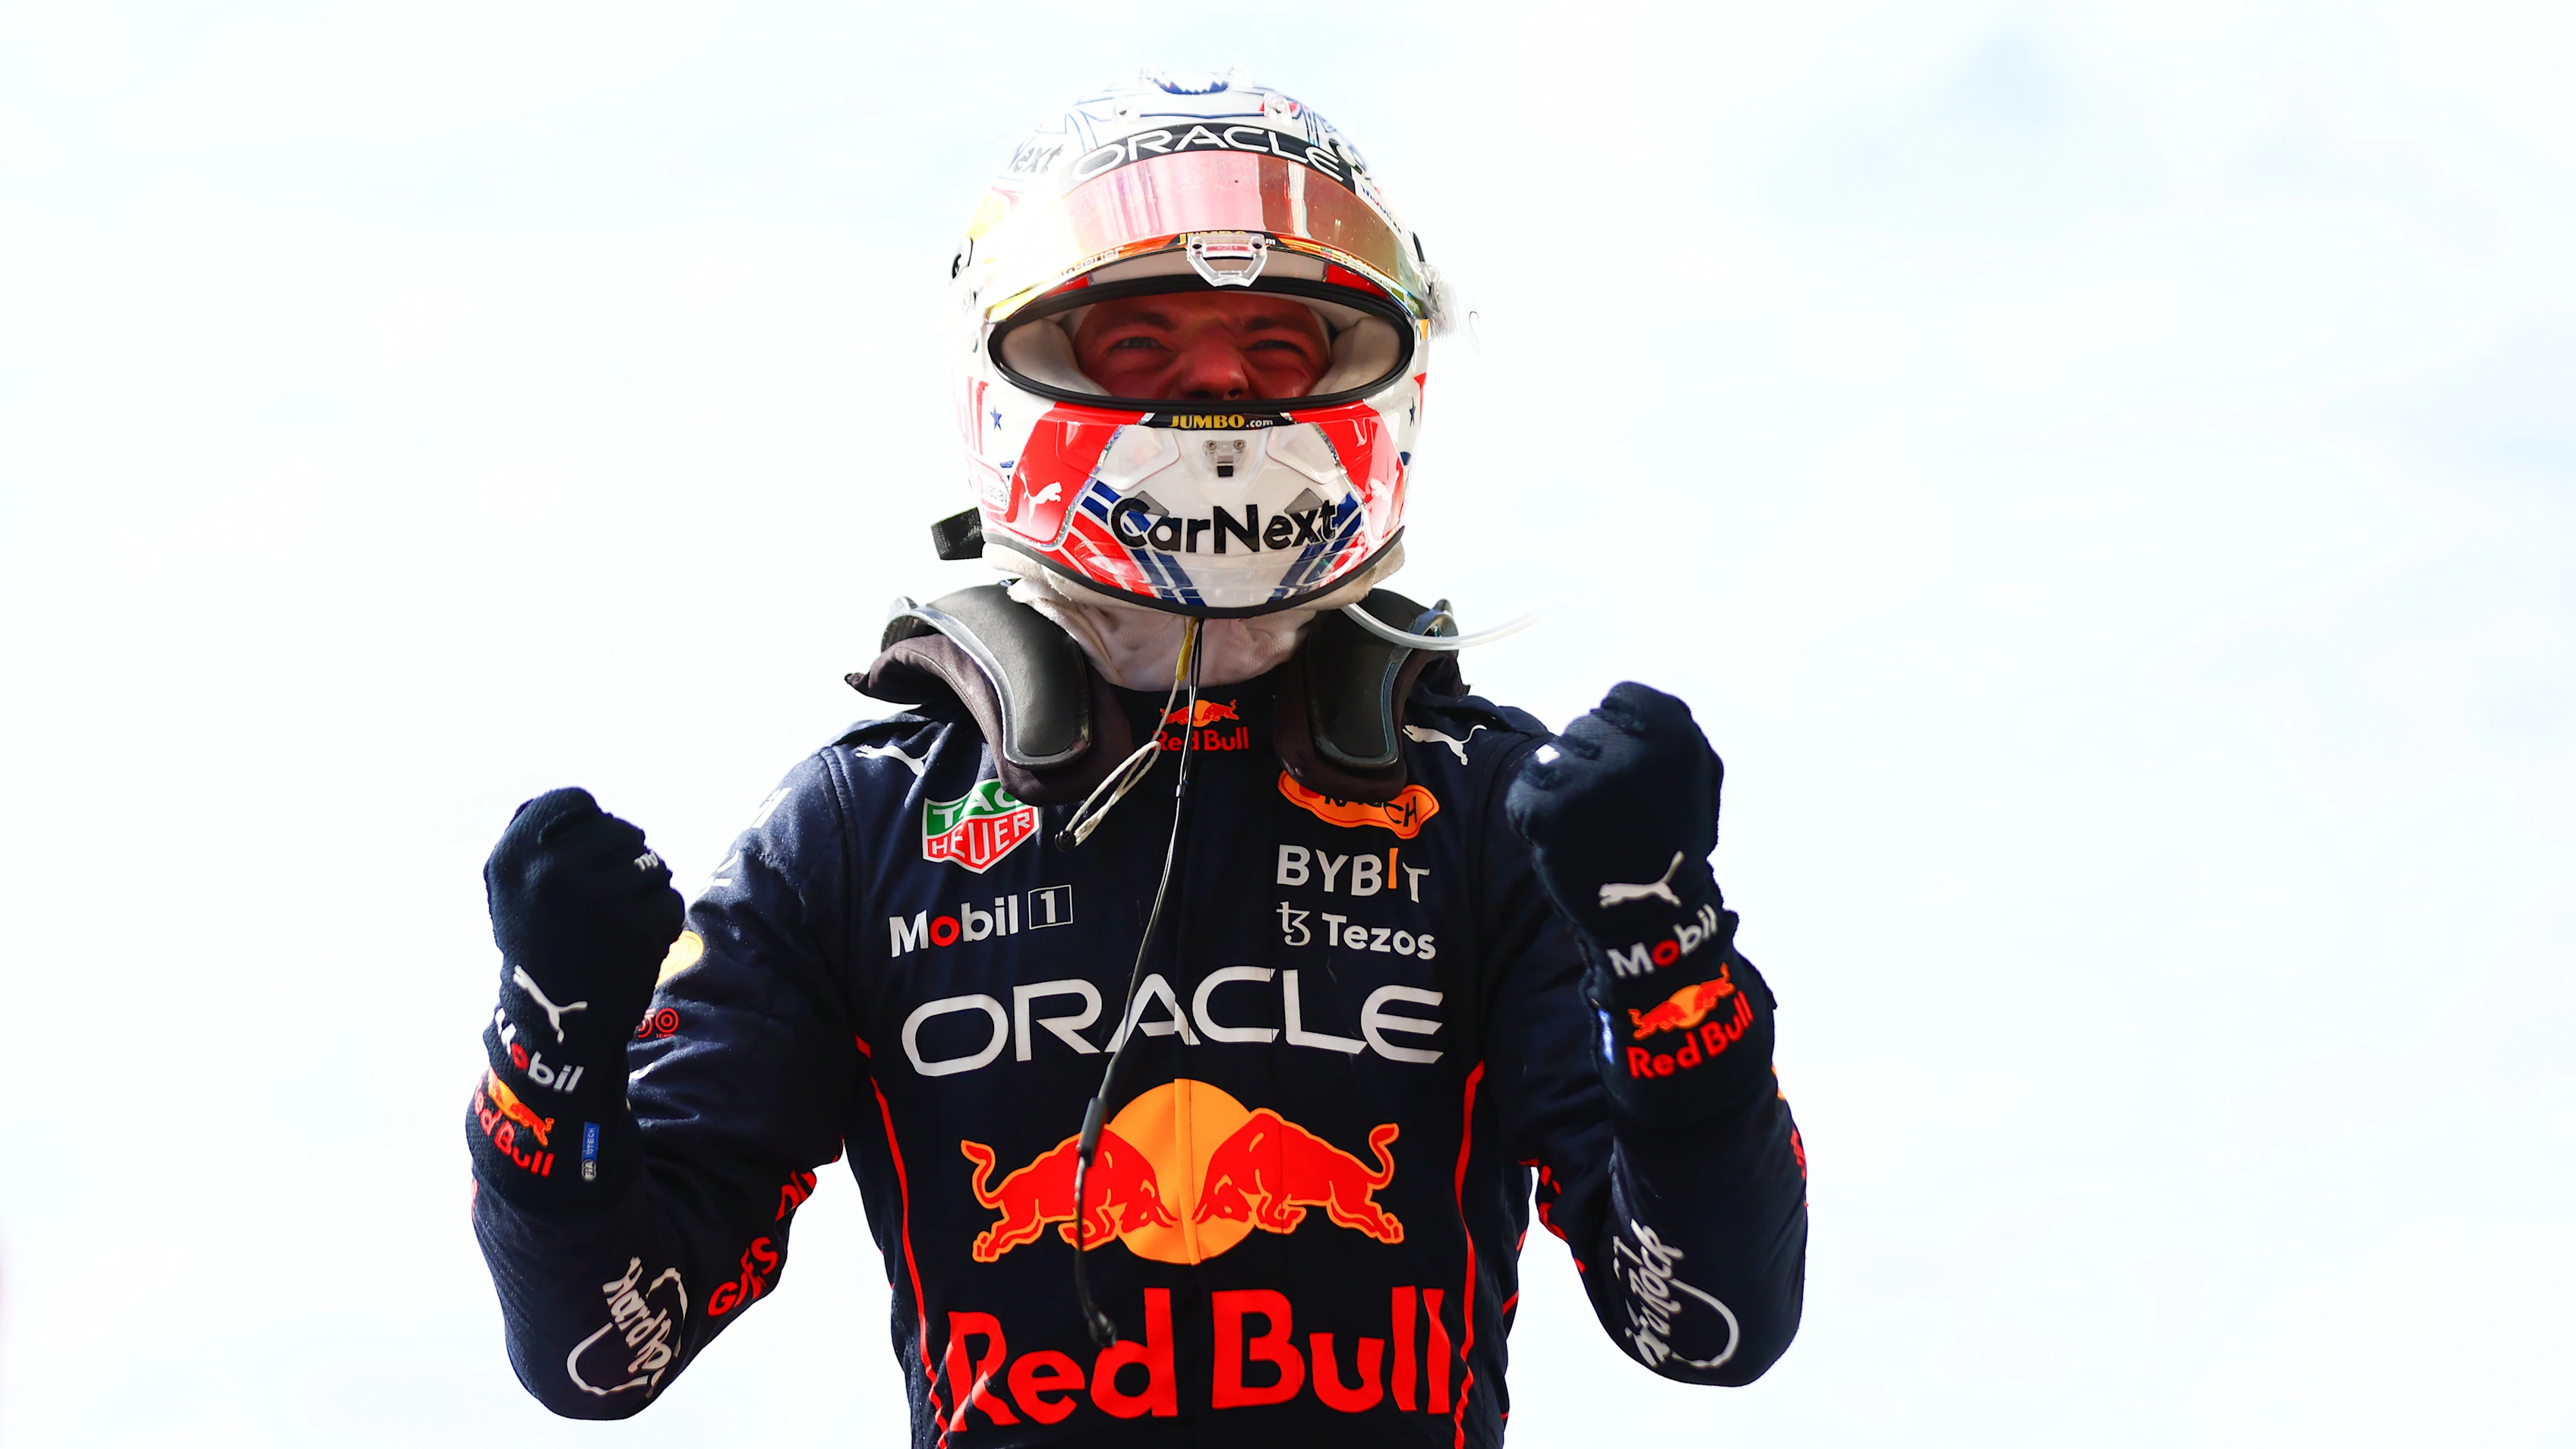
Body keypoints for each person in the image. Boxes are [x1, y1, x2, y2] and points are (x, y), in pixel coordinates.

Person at [466, 70, 1808, 1445]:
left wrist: (1669, 957)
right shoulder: (855, 830)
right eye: (1141, 341)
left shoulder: (1486, 808)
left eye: (1277, 343)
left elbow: (1704, 1326)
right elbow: (598, 1353)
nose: (1219, 384)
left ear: (1379, 374)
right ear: (1009, 381)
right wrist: (550, 1043)